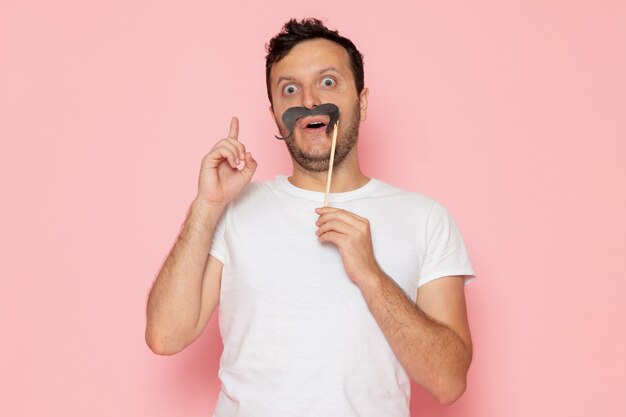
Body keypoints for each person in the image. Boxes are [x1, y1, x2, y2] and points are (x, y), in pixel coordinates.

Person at [145, 18, 476, 417]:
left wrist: (370, 274)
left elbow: (449, 381)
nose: (309, 100)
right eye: (290, 89)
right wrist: (206, 205)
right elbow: (164, 336)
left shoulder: (426, 219)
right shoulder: (234, 210)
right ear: (275, 115)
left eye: (328, 82)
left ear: (363, 100)